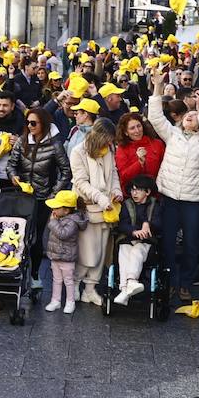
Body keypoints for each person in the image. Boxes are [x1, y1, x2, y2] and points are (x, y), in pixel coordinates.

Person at [148, 68, 199, 306]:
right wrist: (157, 88)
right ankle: (168, 283)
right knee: (167, 244)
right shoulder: (172, 135)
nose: (190, 117)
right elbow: (156, 118)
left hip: (191, 201)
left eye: (194, 118)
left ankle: (185, 284)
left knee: (189, 244)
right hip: (169, 197)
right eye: (188, 115)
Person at [5, 106, 71, 288]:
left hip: (43, 198)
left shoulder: (54, 144)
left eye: (34, 123)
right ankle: (15, 269)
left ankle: (34, 274)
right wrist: (13, 177)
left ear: (43, 124)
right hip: (22, 195)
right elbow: (11, 165)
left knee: (36, 237)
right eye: (28, 123)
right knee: (18, 235)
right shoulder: (22, 141)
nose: (30, 126)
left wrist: (53, 194)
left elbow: (66, 171)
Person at [69, 119, 120, 307]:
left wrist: (117, 191)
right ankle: (75, 284)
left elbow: (114, 173)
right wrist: (101, 198)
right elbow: (81, 182)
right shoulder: (78, 152)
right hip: (89, 208)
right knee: (86, 252)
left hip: (107, 209)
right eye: (107, 139)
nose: (110, 143)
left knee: (101, 253)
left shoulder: (109, 150)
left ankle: (90, 289)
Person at [114, 175, 158, 306]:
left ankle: (128, 284)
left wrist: (147, 224)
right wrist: (134, 232)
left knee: (137, 251)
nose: (134, 193)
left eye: (138, 190)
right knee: (124, 250)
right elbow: (122, 224)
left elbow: (159, 223)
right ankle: (126, 287)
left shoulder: (155, 205)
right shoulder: (127, 205)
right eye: (132, 190)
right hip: (128, 239)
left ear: (148, 192)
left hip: (146, 243)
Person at [41, 188, 87, 314]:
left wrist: (53, 222)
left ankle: (70, 302)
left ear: (66, 210)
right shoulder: (59, 218)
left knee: (68, 280)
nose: (53, 210)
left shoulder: (72, 221)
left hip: (67, 257)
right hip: (56, 255)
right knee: (56, 279)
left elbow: (63, 234)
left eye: (56, 208)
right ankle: (55, 301)